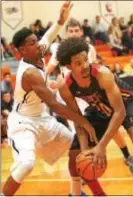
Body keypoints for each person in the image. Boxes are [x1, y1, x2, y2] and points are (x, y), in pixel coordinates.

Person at [1, 2, 97, 196]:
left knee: (74, 146)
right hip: (23, 123)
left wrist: (61, 21)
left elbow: (48, 36)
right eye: (32, 44)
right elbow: (54, 105)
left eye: (36, 41)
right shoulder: (29, 74)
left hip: (41, 119)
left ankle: (75, 191)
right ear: (21, 50)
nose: (38, 45)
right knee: (27, 164)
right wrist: (84, 122)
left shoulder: (37, 52)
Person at [56, 38, 133, 196]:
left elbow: (120, 112)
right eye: (78, 63)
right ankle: (98, 194)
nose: (85, 66)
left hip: (126, 102)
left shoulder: (102, 74)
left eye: (85, 60)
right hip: (100, 107)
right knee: (76, 154)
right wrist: (84, 150)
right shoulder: (65, 86)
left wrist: (101, 146)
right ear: (68, 66)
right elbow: (78, 119)